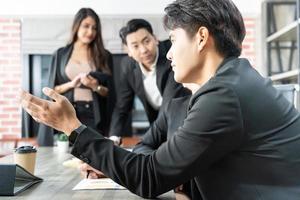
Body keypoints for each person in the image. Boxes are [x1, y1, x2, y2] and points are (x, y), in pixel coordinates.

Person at [21, 0, 300, 199]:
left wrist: (72, 126)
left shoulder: (223, 96)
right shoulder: (235, 80)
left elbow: (149, 177)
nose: (167, 53)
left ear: (201, 37)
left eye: (173, 39)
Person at [37, 8, 115, 146]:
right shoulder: (60, 54)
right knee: (65, 157)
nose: (90, 32)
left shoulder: (104, 55)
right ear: (77, 26)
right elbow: (51, 90)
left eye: (94, 28)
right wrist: (71, 85)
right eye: (86, 26)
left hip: (93, 114)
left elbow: (110, 93)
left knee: (91, 157)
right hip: (67, 112)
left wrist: (94, 87)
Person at [108, 19, 190, 144]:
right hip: (157, 124)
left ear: (155, 39)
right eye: (135, 46)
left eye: (146, 41)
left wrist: (146, 143)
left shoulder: (171, 55)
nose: (143, 50)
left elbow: (169, 104)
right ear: (128, 51)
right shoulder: (127, 66)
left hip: (181, 122)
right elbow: (122, 107)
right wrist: (114, 137)